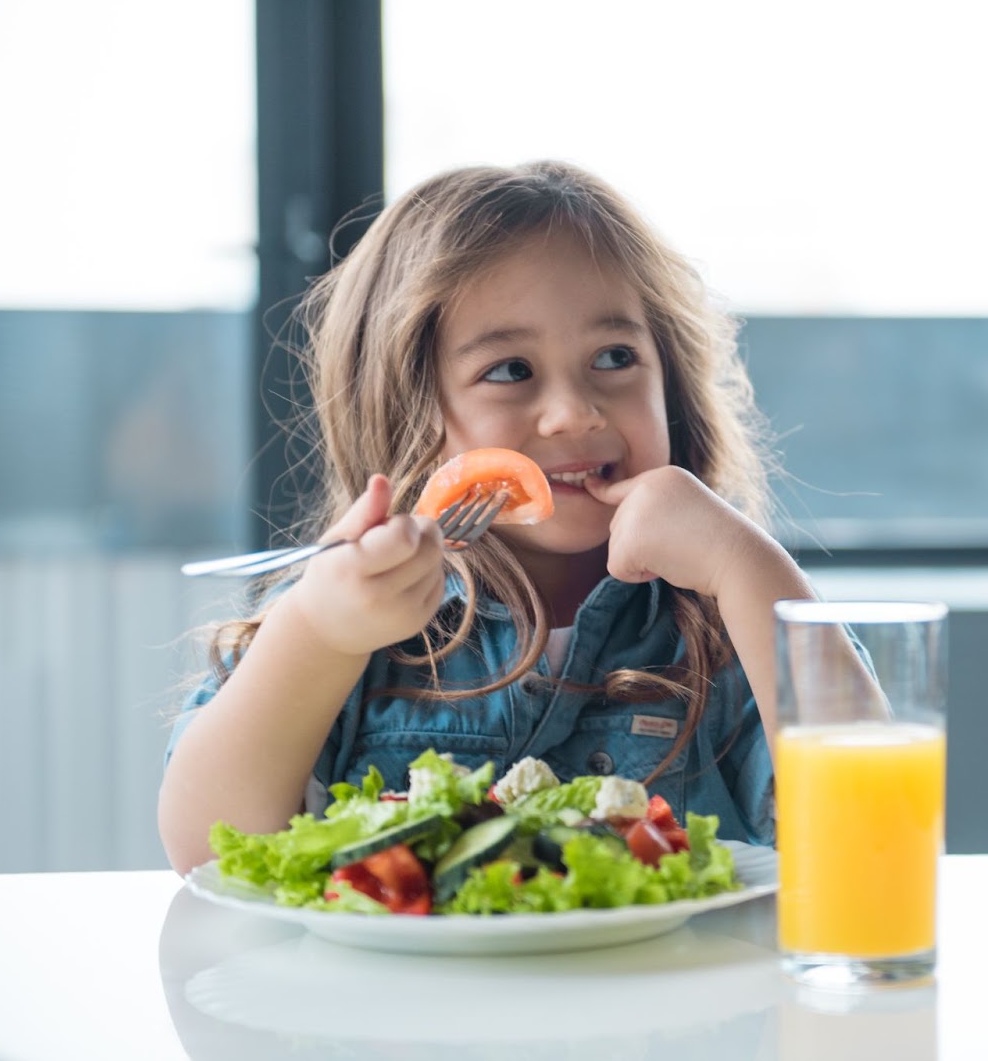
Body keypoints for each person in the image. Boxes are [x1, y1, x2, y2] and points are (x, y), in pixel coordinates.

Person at [158, 161, 814, 875]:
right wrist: (317, 634)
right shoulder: (345, 614)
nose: (574, 413)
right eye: (510, 370)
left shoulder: (725, 622)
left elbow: (867, 829)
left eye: (615, 357)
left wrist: (751, 572)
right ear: (406, 411)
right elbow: (208, 850)